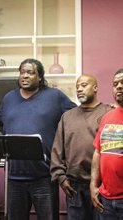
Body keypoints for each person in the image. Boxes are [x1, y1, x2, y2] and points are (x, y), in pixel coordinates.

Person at [0, 58, 77, 220]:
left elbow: (78, 115)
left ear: (40, 77)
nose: (25, 76)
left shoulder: (55, 96)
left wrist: (102, 110)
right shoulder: (9, 98)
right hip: (13, 178)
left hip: (45, 177)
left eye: (30, 72)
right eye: (22, 72)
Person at [50, 74, 112, 220]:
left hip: (102, 185)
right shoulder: (67, 117)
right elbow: (57, 149)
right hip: (74, 186)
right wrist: (61, 177)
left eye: (84, 85)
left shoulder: (108, 112)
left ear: (95, 87)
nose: (79, 89)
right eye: (77, 86)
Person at [90, 69, 123, 220]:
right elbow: (98, 152)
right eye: (115, 84)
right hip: (106, 200)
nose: (119, 87)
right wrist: (93, 184)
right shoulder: (107, 117)